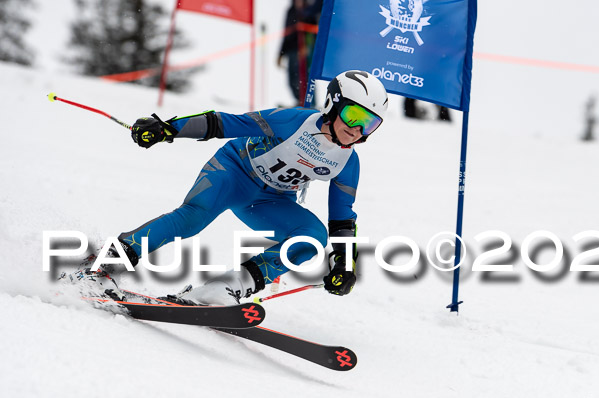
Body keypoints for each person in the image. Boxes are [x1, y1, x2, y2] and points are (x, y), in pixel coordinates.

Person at [71, 70, 388, 306]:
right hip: (233, 172)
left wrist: (344, 265)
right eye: (354, 114)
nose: (358, 129)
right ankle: (108, 259)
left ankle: (226, 286)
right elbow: (228, 123)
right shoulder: (294, 121)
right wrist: (168, 129)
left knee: (312, 238)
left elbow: (342, 221)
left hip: (270, 200)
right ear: (333, 103)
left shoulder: (348, 162)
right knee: (192, 219)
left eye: (370, 123)